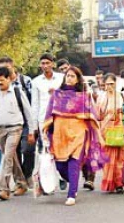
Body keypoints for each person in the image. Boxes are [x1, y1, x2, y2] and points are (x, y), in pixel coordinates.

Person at [42, 66, 106, 206]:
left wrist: (99, 135)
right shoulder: (57, 95)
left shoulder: (83, 96)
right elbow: (49, 114)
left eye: (72, 76)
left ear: (78, 79)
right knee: (60, 165)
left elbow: (92, 116)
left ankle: (71, 194)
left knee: (74, 163)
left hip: (78, 133)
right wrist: (47, 132)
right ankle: (73, 182)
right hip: (60, 134)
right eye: (68, 76)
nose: (69, 78)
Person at [0, 66, 36, 201]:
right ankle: (21, 183)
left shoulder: (17, 92)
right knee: (11, 157)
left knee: (7, 157)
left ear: (8, 79)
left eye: (2, 80)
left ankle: (4, 189)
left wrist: (31, 131)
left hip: (15, 129)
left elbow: (28, 113)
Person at [0, 57, 35, 186]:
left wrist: (33, 125)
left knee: (28, 150)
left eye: (7, 68)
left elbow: (33, 103)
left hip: (26, 121)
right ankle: (20, 181)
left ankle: (27, 174)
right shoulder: (0, 85)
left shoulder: (26, 81)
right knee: (14, 152)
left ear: (13, 66)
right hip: (11, 123)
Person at [96, 73, 124, 193]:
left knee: (119, 159)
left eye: (112, 84)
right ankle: (109, 183)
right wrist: (98, 134)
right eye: (107, 84)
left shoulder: (121, 97)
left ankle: (119, 183)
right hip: (105, 131)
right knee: (107, 159)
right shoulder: (101, 98)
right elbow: (98, 117)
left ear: (116, 84)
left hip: (118, 130)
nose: (109, 86)